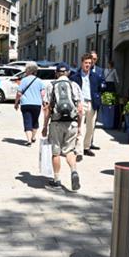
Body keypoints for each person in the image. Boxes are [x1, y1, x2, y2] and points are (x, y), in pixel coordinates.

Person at [41, 62, 84, 191]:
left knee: (56, 152)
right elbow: (80, 109)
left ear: (56, 73)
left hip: (56, 123)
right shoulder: (74, 85)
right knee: (70, 151)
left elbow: (47, 108)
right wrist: (80, 126)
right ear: (69, 73)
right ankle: (74, 171)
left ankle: (57, 179)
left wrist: (44, 126)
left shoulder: (50, 86)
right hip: (72, 122)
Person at [70, 51, 105, 158]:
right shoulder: (75, 77)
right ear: (82, 63)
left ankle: (86, 147)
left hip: (92, 103)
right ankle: (79, 150)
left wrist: (97, 97)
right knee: (80, 127)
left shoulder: (96, 76)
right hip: (80, 103)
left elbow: (101, 87)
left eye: (90, 63)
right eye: (86, 62)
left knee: (91, 127)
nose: (88, 65)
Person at [14, 62, 45, 145]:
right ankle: (33, 137)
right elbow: (42, 93)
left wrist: (16, 103)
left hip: (25, 104)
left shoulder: (24, 80)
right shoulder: (39, 81)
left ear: (28, 71)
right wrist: (43, 102)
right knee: (35, 121)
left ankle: (28, 140)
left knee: (27, 121)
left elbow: (19, 93)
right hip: (37, 104)